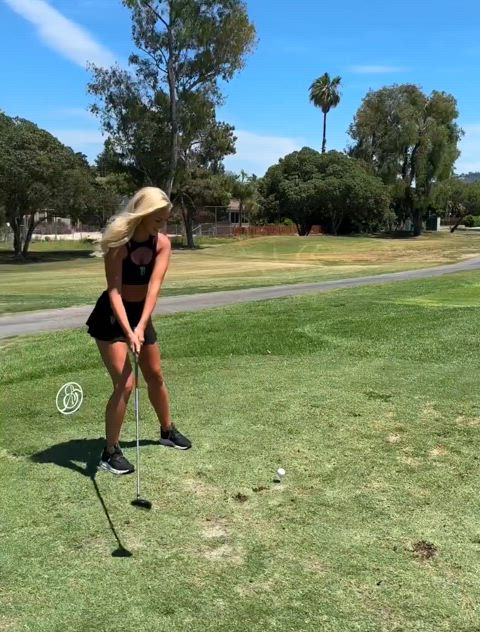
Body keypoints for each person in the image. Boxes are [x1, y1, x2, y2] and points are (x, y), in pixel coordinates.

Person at [86, 187, 191, 475]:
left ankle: (167, 431)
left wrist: (141, 326)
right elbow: (115, 291)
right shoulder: (120, 244)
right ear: (143, 216)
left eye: (165, 220)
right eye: (158, 219)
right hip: (111, 317)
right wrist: (129, 332)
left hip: (140, 314)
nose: (162, 225)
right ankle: (110, 451)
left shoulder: (162, 244)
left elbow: (154, 288)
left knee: (155, 374)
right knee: (126, 383)